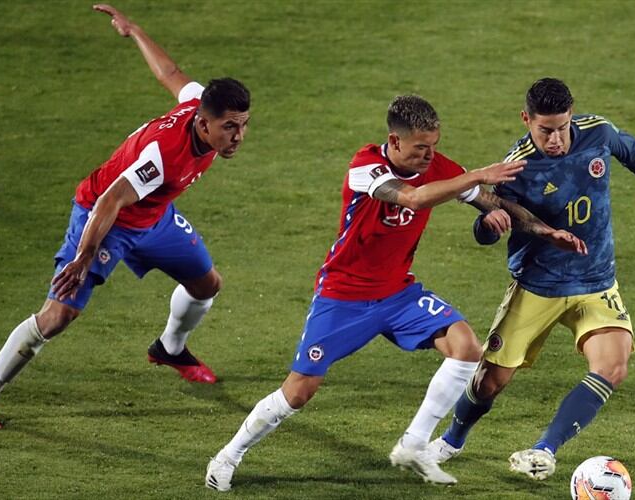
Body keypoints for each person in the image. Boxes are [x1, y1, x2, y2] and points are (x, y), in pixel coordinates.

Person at [204, 94, 588, 492]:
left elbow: (493, 200)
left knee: (467, 347)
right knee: (299, 392)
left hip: (398, 293)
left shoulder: (436, 166)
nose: (429, 156)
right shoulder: (365, 168)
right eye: (421, 147)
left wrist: (545, 231)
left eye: (434, 146)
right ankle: (229, 455)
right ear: (395, 140)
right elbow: (411, 197)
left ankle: (414, 444)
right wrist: (475, 175)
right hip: (344, 296)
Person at [0, 4, 250, 430]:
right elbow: (110, 201)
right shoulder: (162, 156)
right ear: (204, 125)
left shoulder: (199, 104)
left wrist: (134, 30)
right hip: (104, 220)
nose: (238, 136)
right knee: (58, 316)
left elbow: (170, 73)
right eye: (230, 127)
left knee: (207, 283)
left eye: (243, 125)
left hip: (154, 218)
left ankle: (169, 348)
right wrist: (82, 257)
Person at [428, 78, 635, 480]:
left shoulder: (597, 133)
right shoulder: (516, 168)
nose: (556, 139)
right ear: (526, 119)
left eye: (562, 127)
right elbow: (485, 226)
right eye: (545, 129)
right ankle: (452, 440)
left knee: (613, 367)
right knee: (490, 383)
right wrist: (490, 227)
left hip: (597, 282)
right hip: (538, 286)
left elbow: (633, 152)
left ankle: (544, 449)